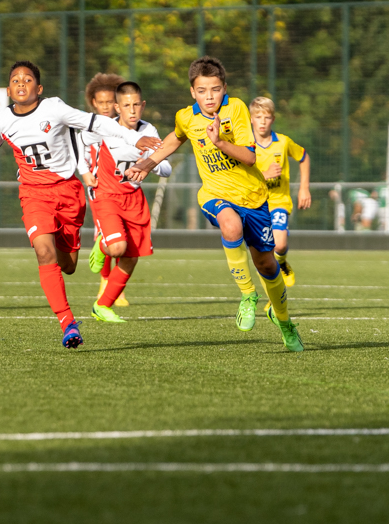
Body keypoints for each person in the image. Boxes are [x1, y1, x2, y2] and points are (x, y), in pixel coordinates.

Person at [0, 61, 160, 348]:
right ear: (9, 90)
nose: (21, 83)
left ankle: (85, 249)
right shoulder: (2, 119)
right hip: (33, 194)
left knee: (68, 265)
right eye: (15, 80)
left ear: (40, 88)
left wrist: (135, 139)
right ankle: (67, 322)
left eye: (27, 79)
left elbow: (96, 122)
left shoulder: (55, 108)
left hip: (68, 194)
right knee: (43, 252)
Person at [127, 56, 304, 352]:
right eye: (202, 90)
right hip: (214, 194)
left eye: (215, 89)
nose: (209, 96)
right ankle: (248, 296)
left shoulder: (235, 110)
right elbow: (175, 138)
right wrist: (146, 164)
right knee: (230, 225)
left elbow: (250, 157)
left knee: (266, 263)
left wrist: (220, 142)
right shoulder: (187, 116)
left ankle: (285, 323)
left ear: (224, 88)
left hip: (254, 199)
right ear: (192, 92)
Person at [81, 81, 171, 322]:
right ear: (117, 108)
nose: (131, 111)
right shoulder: (104, 127)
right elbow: (78, 144)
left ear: (143, 106)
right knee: (117, 248)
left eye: (136, 105)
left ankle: (102, 305)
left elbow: (166, 167)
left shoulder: (149, 130)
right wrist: (84, 171)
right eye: (126, 105)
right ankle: (102, 245)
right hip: (107, 195)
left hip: (134, 198)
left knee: (131, 256)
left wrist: (150, 163)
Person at [250, 96, 311, 288]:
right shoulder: (245, 145)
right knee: (263, 254)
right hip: (254, 204)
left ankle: (283, 263)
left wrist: (304, 188)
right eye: (258, 117)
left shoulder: (283, 142)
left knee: (280, 245)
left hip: (279, 201)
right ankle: (273, 289)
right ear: (251, 119)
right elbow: (240, 174)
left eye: (266, 117)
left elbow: (303, 157)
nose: (262, 121)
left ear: (273, 119)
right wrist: (264, 175)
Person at [80, 73, 129, 307]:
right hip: (99, 189)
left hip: (125, 190)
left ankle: (115, 286)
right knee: (107, 236)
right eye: (101, 102)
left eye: (110, 101)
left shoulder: (126, 125)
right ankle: (107, 286)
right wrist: (85, 173)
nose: (106, 106)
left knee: (125, 239)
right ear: (94, 103)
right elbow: (79, 153)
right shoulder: (88, 127)